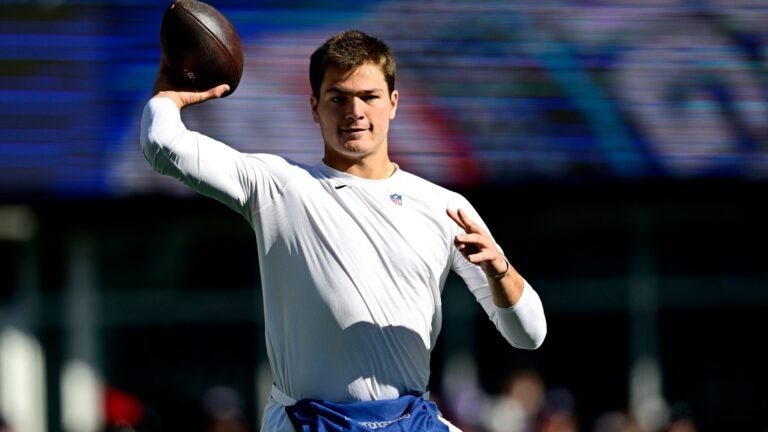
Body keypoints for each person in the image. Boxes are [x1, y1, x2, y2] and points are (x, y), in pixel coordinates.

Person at [141, 29, 547, 432]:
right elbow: (162, 144)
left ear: (393, 104)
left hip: (411, 420)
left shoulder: (445, 207)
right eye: (339, 98)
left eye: (369, 97)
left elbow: (529, 335)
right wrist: (169, 96)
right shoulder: (279, 185)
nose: (355, 111)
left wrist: (501, 271)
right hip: (305, 421)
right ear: (315, 107)